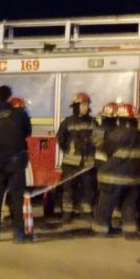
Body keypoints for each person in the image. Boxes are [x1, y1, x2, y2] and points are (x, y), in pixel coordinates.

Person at [0, 85, 32, 243]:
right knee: (17, 197)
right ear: (10, 97)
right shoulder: (19, 114)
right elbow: (27, 132)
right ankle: (18, 234)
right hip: (15, 162)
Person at [93, 103, 140, 235]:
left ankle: (101, 228)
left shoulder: (116, 134)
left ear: (120, 119)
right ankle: (130, 228)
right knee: (128, 205)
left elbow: (105, 150)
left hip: (111, 179)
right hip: (133, 180)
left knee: (105, 205)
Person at [56, 93, 96, 222]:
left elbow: (99, 140)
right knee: (68, 189)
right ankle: (67, 213)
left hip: (87, 164)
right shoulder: (67, 122)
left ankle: (87, 212)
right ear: (76, 106)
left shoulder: (93, 122)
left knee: (88, 188)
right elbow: (60, 139)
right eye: (83, 105)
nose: (86, 107)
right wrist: (70, 151)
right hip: (70, 164)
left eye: (87, 105)